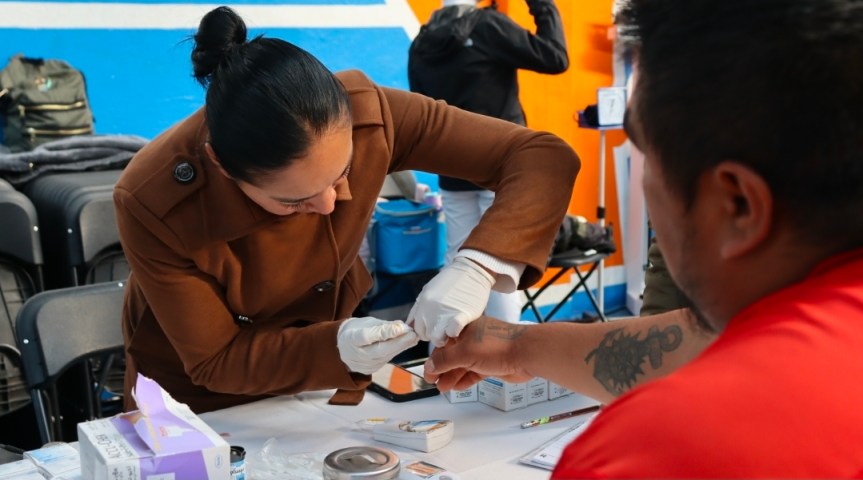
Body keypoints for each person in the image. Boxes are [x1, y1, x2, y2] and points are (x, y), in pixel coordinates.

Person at [423, 0, 863, 476]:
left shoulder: (645, 451)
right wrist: (518, 345)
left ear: (736, 204)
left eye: (646, 152)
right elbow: (700, 343)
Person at [113, 6, 580, 413]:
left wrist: (478, 265)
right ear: (222, 167)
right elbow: (217, 359)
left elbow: (541, 157)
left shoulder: (371, 115)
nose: (329, 203)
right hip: (196, 405)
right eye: (294, 201)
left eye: (342, 174)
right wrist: (334, 347)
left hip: (314, 380)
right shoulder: (152, 201)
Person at [407, 0, 568, 322]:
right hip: (501, 166)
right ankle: (505, 351)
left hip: (452, 168)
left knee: (457, 261)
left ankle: (447, 345)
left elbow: (424, 110)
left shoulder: (422, 41)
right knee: (499, 264)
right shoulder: (489, 26)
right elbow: (555, 57)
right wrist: (541, 5)